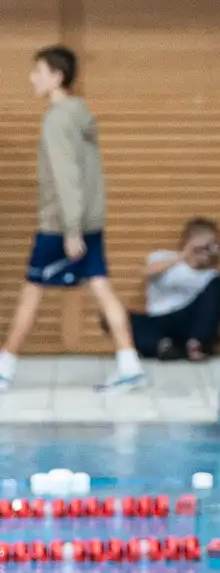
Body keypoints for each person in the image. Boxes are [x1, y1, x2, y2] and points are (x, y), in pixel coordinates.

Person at [0, 46, 144, 394]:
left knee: (32, 291)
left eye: (38, 71)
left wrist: (71, 229)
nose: (32, 78)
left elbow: (67, 177)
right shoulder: (80, 113)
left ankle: (4, 369)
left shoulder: (57, 119)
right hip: (86, 221)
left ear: (56, 76)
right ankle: (129, 364)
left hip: (62, 224)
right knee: (100, 286)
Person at [131, 219, 220, 362]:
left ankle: (195, 345)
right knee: (130, 320)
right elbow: (148, 271)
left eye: (213, 247)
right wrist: (186, 255)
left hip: (188, 321)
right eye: (205, 246)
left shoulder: (210, 276)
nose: (209, 252)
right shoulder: (163, 257)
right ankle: (165, 347)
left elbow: (210, 308)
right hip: (160, 318)